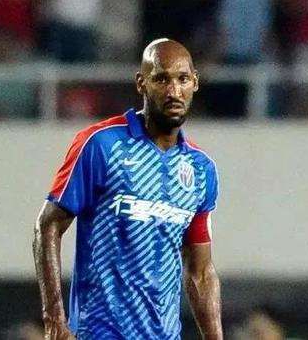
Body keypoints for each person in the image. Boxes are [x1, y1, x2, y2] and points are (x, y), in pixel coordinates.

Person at [33, 38, 223, 339]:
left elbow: (200, 271)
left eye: (182, 79)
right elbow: (48, 225)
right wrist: (54, 318)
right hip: (98, 332)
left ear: (195, 83)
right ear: (141, 83)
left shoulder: (201, 169)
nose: (174, 91)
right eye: (161, 78)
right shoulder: (101, 144)